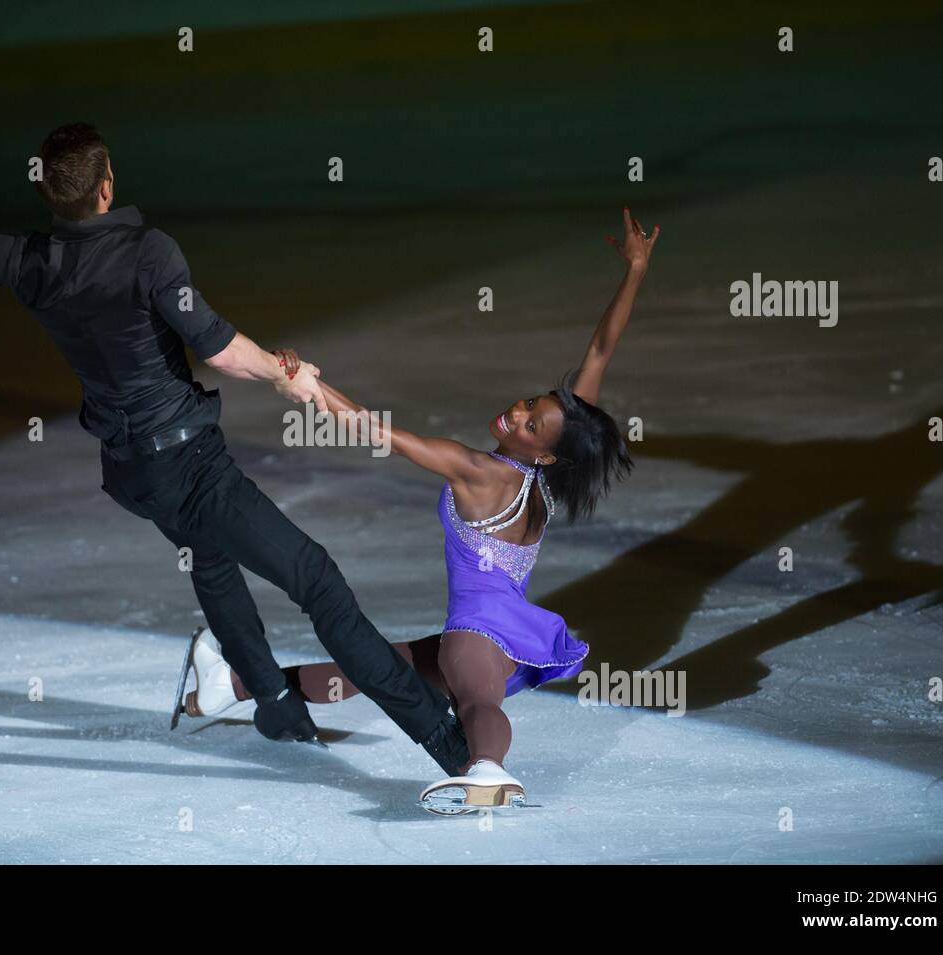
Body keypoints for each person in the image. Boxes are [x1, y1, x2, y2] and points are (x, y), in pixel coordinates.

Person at [0, 122, 471, 780]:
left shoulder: (28, 260)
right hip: (187, 466)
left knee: (210, 556)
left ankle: (274, 702)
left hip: (132, 473)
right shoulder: (148, 252)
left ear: (52, 192)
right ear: (107, 186)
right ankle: (444, 741)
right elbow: (217, 351)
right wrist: (285, 372)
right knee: (318, 578)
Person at [181, 207, 656, 812]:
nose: (516, 413)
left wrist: (302, 382)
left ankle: (486, 770)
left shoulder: (479, 470)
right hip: (503, 630)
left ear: (547, 452)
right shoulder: (547, 468)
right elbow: (599, 351)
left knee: (478, 704)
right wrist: (635, 270)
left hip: (476, 636)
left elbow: (377, 431)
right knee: (367, 667)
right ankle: (232, 685)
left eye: (530, 422)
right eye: (529, 402)